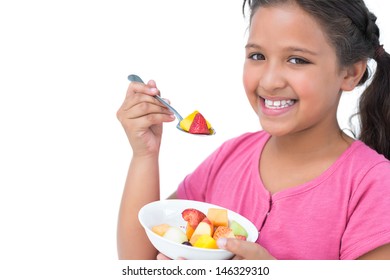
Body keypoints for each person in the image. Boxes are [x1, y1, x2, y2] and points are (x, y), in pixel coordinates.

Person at [116, 0, 390, 260]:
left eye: (297, 60)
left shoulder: (374, 185)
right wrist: (145, 154)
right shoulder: (229, 158)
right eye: (257, 56)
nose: (269, 81)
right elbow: (141, 263)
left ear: (350, 73)